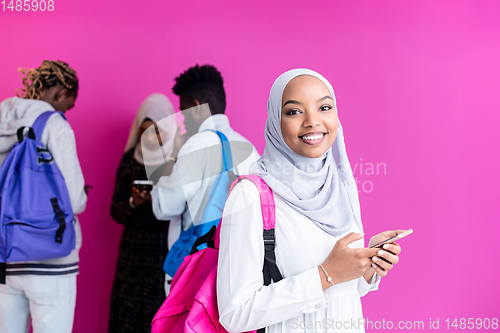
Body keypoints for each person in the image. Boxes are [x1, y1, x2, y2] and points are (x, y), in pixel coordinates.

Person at [217, 69, 405, 333]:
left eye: (324, 107)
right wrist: (325, 275)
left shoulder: (341, 187)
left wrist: (369, 265)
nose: (313, 121)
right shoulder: (249, 195)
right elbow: (234, 314)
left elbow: (345, 293)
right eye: (294, 112)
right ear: (275, 121)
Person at [151, 64, 260, 289]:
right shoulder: (249, 148)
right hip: (238, 268)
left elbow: (165, 207)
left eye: (183, 111)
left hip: (195, 267)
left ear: (196, 107)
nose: (183, 120)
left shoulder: (196, 145)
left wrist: (169, 161)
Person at [0, 60, 87, 333]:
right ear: (60, 94)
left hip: (6, 258)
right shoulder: (54, 124)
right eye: (68, 104)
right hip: (51, 260)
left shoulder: (3, 118)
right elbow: (74, 199)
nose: (66, 111)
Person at [108, 93, 180, 333]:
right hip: (132, 251)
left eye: (156, 130)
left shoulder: (177, 162)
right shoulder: (130, 160)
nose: (150, 137)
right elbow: (115, 210)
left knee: (158, 312)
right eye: (145, 130)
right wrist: (133, 201)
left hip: (163, 249)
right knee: (127, 312)